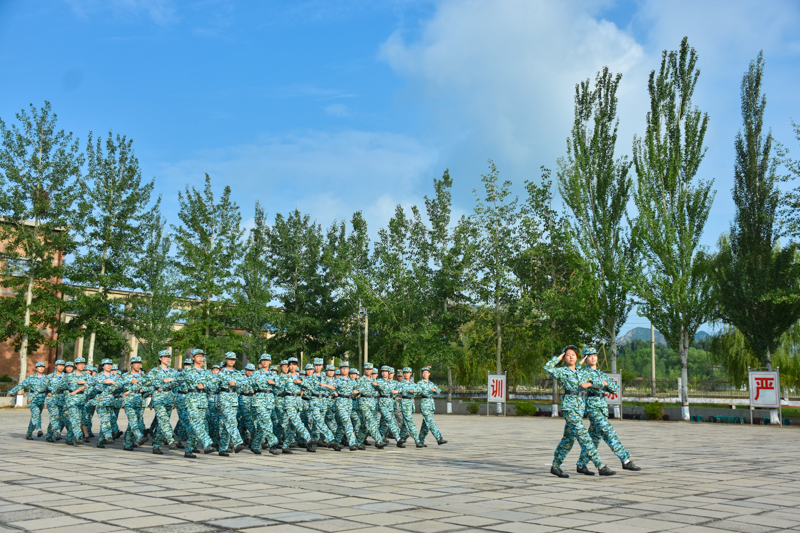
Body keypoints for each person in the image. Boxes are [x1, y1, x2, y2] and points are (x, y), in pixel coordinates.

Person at [544, 346, 615, 478]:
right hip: (569, 408)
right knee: (584, 436)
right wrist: (559, 357)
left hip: (579, 408)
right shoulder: (562, 372)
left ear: (577, 357)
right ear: (564, 358)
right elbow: (548, 367)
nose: (571, 357)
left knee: (568, 439)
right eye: (567, 355)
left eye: (573, 355)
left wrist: (602, 382)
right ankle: (600, 466)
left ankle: (555, 466)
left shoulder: (580, 372)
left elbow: (586, 375)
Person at [575, 347, 641, 474]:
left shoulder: (601, 373)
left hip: (602, 408)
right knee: (609, 432)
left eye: (595, 355)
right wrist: (602, 383)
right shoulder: (584, 372)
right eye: (589, 356)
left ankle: (581, 464)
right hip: (592, 407)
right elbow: (582, 383)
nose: (593, 358)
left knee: (594, 439)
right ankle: (625, 460)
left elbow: (615, 388)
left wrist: (602, 383)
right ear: (585, 359)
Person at [178, 349, 215, 458]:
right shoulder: (188, 371)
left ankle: (189, 450)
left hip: (202, 401)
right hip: (192, 400)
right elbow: (177, 380)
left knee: (197, 426)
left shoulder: (206, 372)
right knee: (196, 423)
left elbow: (213, 383)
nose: (200, 358)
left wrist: (204, 384)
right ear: (193, 358)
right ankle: (207, 442)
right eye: (198, 356)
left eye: (202, 356)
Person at [149, 349, 179, 455]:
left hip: (169, 399)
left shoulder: (173, 372)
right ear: (160, 358)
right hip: (159, 398)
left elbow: (178, 382)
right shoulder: (154, 371)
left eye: (169, 357)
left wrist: (171, 381)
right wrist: (162, 381)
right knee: (164, 420)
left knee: (161, 424)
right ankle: (170, 440)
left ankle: (156, 445)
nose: (167, 359)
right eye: (165, 357)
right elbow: (150, 382)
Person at [250, 354, 281, 455]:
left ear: (270, 362)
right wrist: (251, 390)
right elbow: (248, 383)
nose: (264, 362)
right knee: (267, 423)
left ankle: (255, 445)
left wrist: (274, 383)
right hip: (259, 400)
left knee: (261, 425)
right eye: (263, 360)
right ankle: (273, 444)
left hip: (269, 401)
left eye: (267, 360)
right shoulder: (256, 374)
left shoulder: (273, 375)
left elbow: (282, 386)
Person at [9, 361, 49, 440]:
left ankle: (29, 433)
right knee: (36, 413)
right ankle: (38, 429)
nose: (41, 368)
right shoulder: (31, 377)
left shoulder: (47, 378)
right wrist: (11, 392)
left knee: (35, 416)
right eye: (39, 367)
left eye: (43, 367)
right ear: (36, 368)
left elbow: (50, 388)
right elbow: (22, 385)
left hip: (41, 399)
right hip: (32, 399)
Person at [216, 352, 246, 456]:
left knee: (226, 424)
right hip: (224, 398)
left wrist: (236, 384)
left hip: (234, 398)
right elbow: (215, 386)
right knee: (230, 420)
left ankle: (223, 448)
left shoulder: (238, 373)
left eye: (233, 359)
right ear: (226, 359)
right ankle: (238, 442)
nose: (231, 361)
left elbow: (244, 385)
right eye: (229, 359)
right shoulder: (221, 372)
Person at [356, 363, 385, 448]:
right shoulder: (360, 380)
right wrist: (362, 390)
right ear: (364, 370)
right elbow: (357, 390)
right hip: (364, 402)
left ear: (372, 370)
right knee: (370, 421)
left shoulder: (375, 381)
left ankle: (358, 442)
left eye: (370, 369)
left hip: (373, 404)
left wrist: (379, 385)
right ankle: (379, 440)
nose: (368, 371)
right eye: (366, 369)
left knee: (365, 425)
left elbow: (383, 390)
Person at [417, 366, 446, 446]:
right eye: (423, 373)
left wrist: (434, 390)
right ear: (422, 374)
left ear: (429, 374)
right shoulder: (420, 383)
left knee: (426, 425)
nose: (425, 374)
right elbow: (418, 391)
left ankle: (420, 441)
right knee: (430, 421)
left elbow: (438, 391)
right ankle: (439, 438)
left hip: (431, 404)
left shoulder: (431, 383)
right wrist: (428, 390)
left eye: (426, 373)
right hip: (424, 403)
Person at [93, 359, 119, 448]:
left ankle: (100, 440)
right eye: (106, 364)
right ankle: (108, 437)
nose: (109, 366)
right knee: (105, 419)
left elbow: (120, 386)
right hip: (100, 400)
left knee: (110, 419)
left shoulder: (115, 377)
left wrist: (112, 382)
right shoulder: (97, 376)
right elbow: (90, 386)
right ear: (102, 366)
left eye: (110, 364)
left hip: (110, 401)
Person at [375, 366, 403, 447]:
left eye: (386, 371)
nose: (384, 373)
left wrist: (398, 391)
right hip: (382, 402)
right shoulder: (378, 381)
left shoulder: (393, 382)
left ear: (389, 373)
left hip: (390, 403)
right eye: (382, 371)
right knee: (390, 419)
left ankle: (379, 440)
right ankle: (398, 438)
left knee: (384, 423)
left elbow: (402, 387)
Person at [397, 367, 424, 448]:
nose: (406, 374)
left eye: (407, 373)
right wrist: (409, 390)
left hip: (411, 403)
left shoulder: (413, 383)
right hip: (405, 403)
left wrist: (414, 390)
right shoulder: (401, 383)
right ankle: (417, 441)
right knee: (410, 422)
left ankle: (400, 439)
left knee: (405, 423)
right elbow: (400, 389)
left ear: (410, 373)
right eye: (405, 373)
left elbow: (419, 390)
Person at [44, 360, 67, 442]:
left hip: (62, 399)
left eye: (62, 365)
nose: (61, 367)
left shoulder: (67, 376)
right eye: (59, 365)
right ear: (56, 366)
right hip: (52, 399)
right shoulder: (49, 377)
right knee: (54, 416)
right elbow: (44, 387)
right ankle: (57, 433)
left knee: (59, 418)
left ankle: (49, 434)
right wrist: (48, 394)